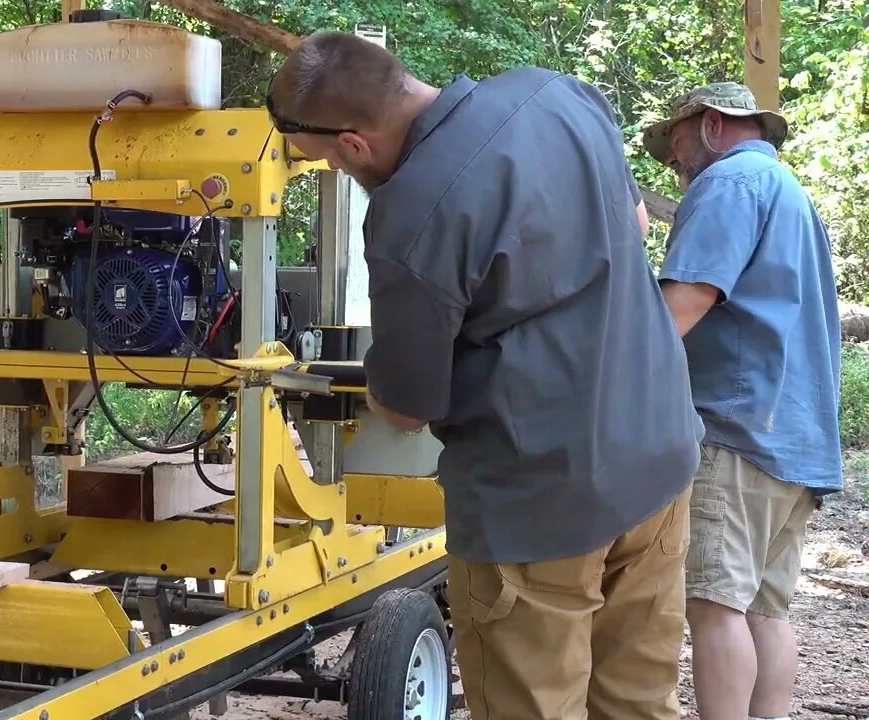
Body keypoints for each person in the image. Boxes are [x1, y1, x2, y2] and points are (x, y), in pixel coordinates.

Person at [266, 31, 703, 719]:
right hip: (657, 460)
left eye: (325, 160)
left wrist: (367, 381)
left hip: (539, 504)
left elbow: (409, 407)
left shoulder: (413, 214)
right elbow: (636, 217)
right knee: (639, 703)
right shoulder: (555, 93)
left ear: (353, 144)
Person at [643, 82, 844, 720]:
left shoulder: (728, 183)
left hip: (735, 432)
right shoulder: (791, 194)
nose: (671, 161)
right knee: (767, 609)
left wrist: (601, 373)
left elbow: (684, 304)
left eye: (673, 142)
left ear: (709, 126)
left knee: (713, 606)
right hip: (796, 438)